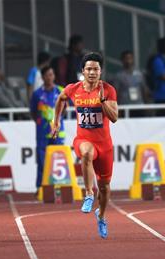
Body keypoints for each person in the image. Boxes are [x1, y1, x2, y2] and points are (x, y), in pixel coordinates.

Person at [50, 52, 118, 238]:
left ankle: (101, 216)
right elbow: (60, 99)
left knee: (105, 188)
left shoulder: (108, 90)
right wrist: (55, 121)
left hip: (104, 145)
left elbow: (114, 118)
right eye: (88, 69)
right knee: (86, 153)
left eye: (95, 69)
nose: (92, 72)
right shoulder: (74, 89)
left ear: (100, 71)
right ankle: (88, 193)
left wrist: (103, 101)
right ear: (83, 71)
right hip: (84, 140)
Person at [30, 66, 65, 193]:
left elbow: (65, 108)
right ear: (43, 77)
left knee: (58, 159)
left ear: (54, 76)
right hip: (42, 132)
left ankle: (59, 185)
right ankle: (40, 187)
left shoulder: (61, 91)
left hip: (58, 132)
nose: (49, 77)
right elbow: (33, 112)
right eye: (47, 75)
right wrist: (41, 123)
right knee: (41, 160)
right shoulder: (37, 94)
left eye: (51, 74)